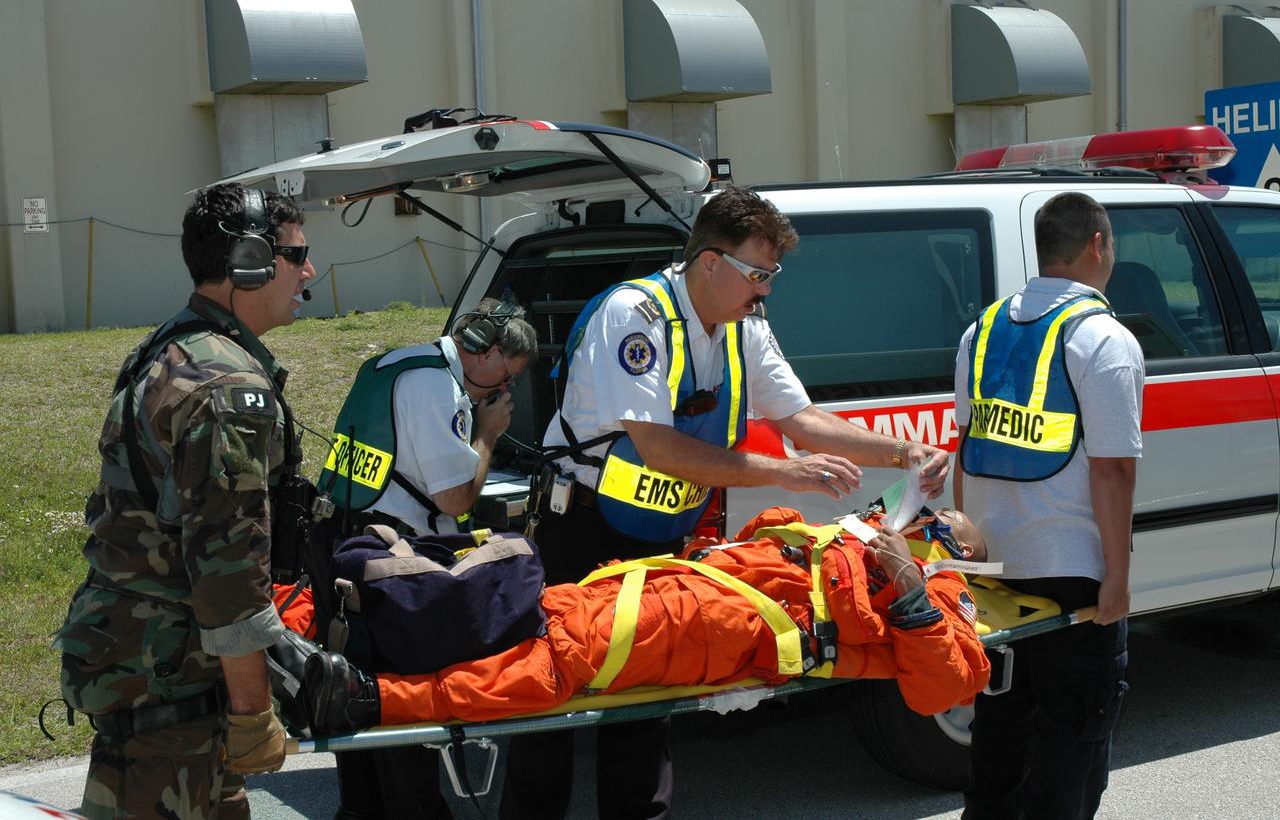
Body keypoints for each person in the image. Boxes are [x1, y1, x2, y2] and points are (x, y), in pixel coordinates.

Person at [504, 185, 952, 819]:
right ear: (709, 262)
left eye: (772, 275)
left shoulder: (747, 326)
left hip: (657, 535)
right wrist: (785, 473)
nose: (766, 289)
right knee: (548, 693)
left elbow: (803, 419)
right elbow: (659, 447)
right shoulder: (637, 316)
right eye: (757, 273)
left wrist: (905, 454)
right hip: (582, 528)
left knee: (647, 699)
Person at [52, 183, 317, 819]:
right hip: (174, 682)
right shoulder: (225, 387)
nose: (308, 270)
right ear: (249, 262)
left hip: (152, 667)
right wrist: (254, 713)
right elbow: (227, 575)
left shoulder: (177, 347)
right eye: (296, 253)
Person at [299, 507, 991, 732]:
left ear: (957, 553)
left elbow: (941, 688)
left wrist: (909, 582)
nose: (927, 524)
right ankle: (312, 615)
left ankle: (371, 697)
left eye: (945, 530)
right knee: (527, 606)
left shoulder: (939, 592)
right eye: (931, 516)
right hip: (676, 589)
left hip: (722, 629)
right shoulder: (863, 533)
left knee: (550, 668)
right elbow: (759, 534)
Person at [954, 192, 1142, 819]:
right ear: (1097, 245)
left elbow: (967, 446)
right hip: (1074, 576)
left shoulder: (980, 329)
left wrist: (968, 552)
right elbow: (1113, 469)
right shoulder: (1102, 338)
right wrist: (1116, 576)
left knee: (1002, 728)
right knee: (1073, 743)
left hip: (996, 569)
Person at [316, 298, 537, 820]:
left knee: (356, 692)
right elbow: (456, 500)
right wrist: (488, 435)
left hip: (343, 543)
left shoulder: (395, 364)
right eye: (507, 378)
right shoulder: (436, 386)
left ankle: (363, 810)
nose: (504, 391)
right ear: (487, 350)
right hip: (388, 559)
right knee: (403, 698)